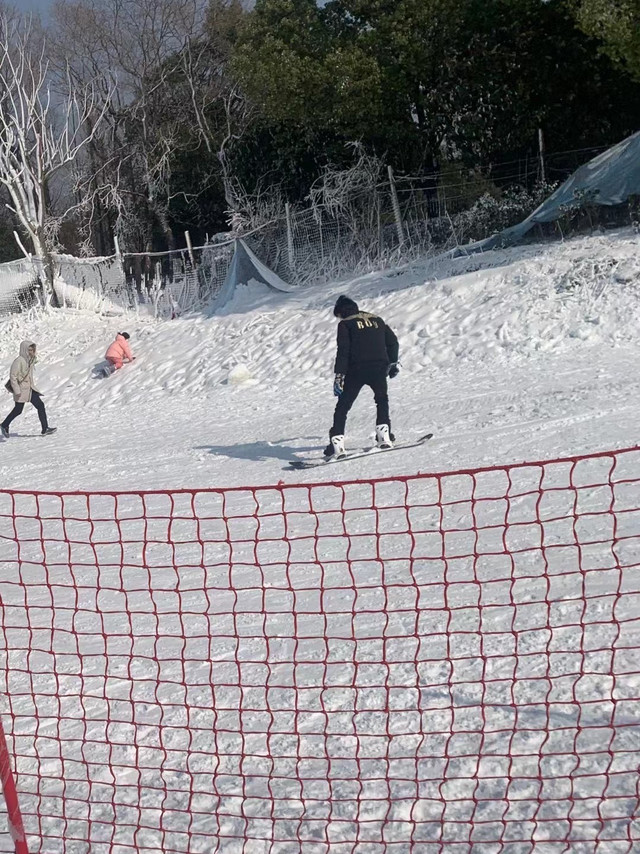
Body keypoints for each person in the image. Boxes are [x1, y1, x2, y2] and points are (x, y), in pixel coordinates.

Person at [325, 295, 399, 458]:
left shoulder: (345, 324)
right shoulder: (378, 320)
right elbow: (393, 342)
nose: (338, 318)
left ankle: (337, 444)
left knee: (343, 406)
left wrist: (339, 376)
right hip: (379, 367)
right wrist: (393, 363)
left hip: (356, 370)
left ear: (342, 312)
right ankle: (384, 437)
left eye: (338, 315)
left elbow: (343, 352)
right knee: (382, 400)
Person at [1, 341, 56, 438]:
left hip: (29, 389)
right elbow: (13, 376)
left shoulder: (29, 359)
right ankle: (4, 425)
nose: (31, 351)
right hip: (21, 390)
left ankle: (45, 428)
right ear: (24, 350)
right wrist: (17, 390)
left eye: (32, 349)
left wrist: (33, 357)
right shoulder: (19, 361)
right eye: (29, 350)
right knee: (19, 410)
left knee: (39, 406)